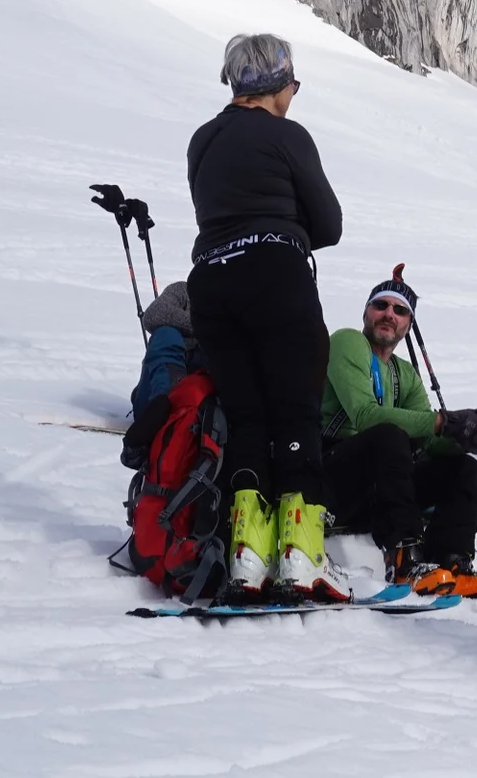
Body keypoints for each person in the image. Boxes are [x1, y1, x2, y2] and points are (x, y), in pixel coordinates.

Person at [185, 33, 345, 603]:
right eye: (292, 84)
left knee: (248, 419)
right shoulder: (286, 135)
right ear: (278, 85)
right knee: (296, 416)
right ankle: (301, 558)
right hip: (277, 272)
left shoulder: (202, 140)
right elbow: (328, 225)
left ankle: (246, 558)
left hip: (211, 279)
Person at [320, 273, 477, 598]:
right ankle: (404, 559)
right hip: (335, 479)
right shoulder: (347, 343)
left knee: (465, 469)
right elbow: (364, 415)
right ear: (366, 313)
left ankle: (451, 561)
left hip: (383, 484)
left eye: (400, 311)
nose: (389, 314)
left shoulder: (404, 373)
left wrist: (457, 437)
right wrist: (441, 422)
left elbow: (427, 438)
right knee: (388, 436)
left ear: (408, 324)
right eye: (381, 305)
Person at [130, 281, 201, 419]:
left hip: (206, 407)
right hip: (154, 405)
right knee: (166, 335)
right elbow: (154, 314)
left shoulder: (237, 301)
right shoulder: (184, 290)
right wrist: (205, 325)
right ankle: (162, 411)